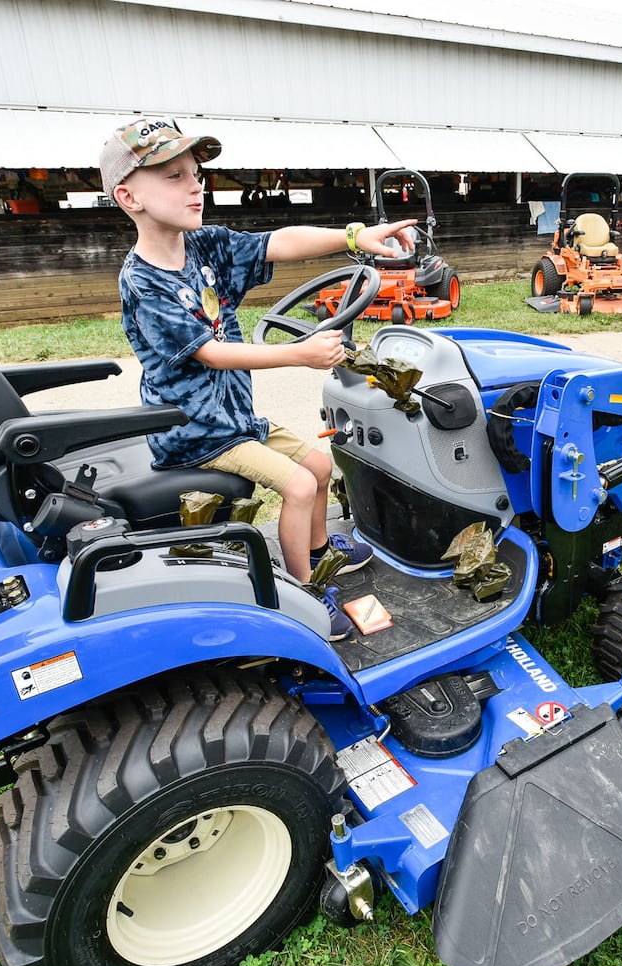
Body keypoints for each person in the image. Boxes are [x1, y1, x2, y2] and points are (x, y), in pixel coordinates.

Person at [101, 116, 417, 640]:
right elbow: (211, 353)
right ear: (130, 197)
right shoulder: (143, 280)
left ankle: (319, 550)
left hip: (236, 422)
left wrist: (355, 235)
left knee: (317, 463)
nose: (195, 185)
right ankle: (306, 594)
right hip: (195, 435)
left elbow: (277, 242)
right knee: (296, 485)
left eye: (195, 173)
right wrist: (299, 355)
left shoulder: (201, 246)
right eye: (173, 176)